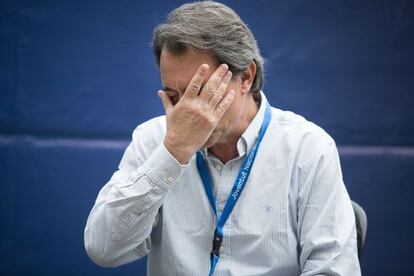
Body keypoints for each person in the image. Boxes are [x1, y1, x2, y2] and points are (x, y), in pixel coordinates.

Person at [84, 1, 361, 275]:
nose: (187, 111)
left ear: (246, 77)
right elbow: (103, 250)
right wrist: (172, 153)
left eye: (202, 91)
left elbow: (333, 270)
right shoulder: (154, 138)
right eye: (174, 96)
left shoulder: (309, 148)